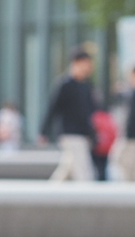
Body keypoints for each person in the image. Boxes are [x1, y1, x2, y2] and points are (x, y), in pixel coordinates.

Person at [38, 48, 96, 181]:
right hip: (70, 134)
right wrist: (43, 131)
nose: (87, 68)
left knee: (66, 172)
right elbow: (52, 108)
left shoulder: (86, 86)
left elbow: (89, 113)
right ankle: (89, 195)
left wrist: (92, 134)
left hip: (83, 135)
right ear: (76, 63)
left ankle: (50, 192)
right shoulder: (65, 85)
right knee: (84, 173)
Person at [91, 109, 117, 181]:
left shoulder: (95, 116)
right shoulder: (108, 118)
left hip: (97, 148)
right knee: (103, 170)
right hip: (106, 149)